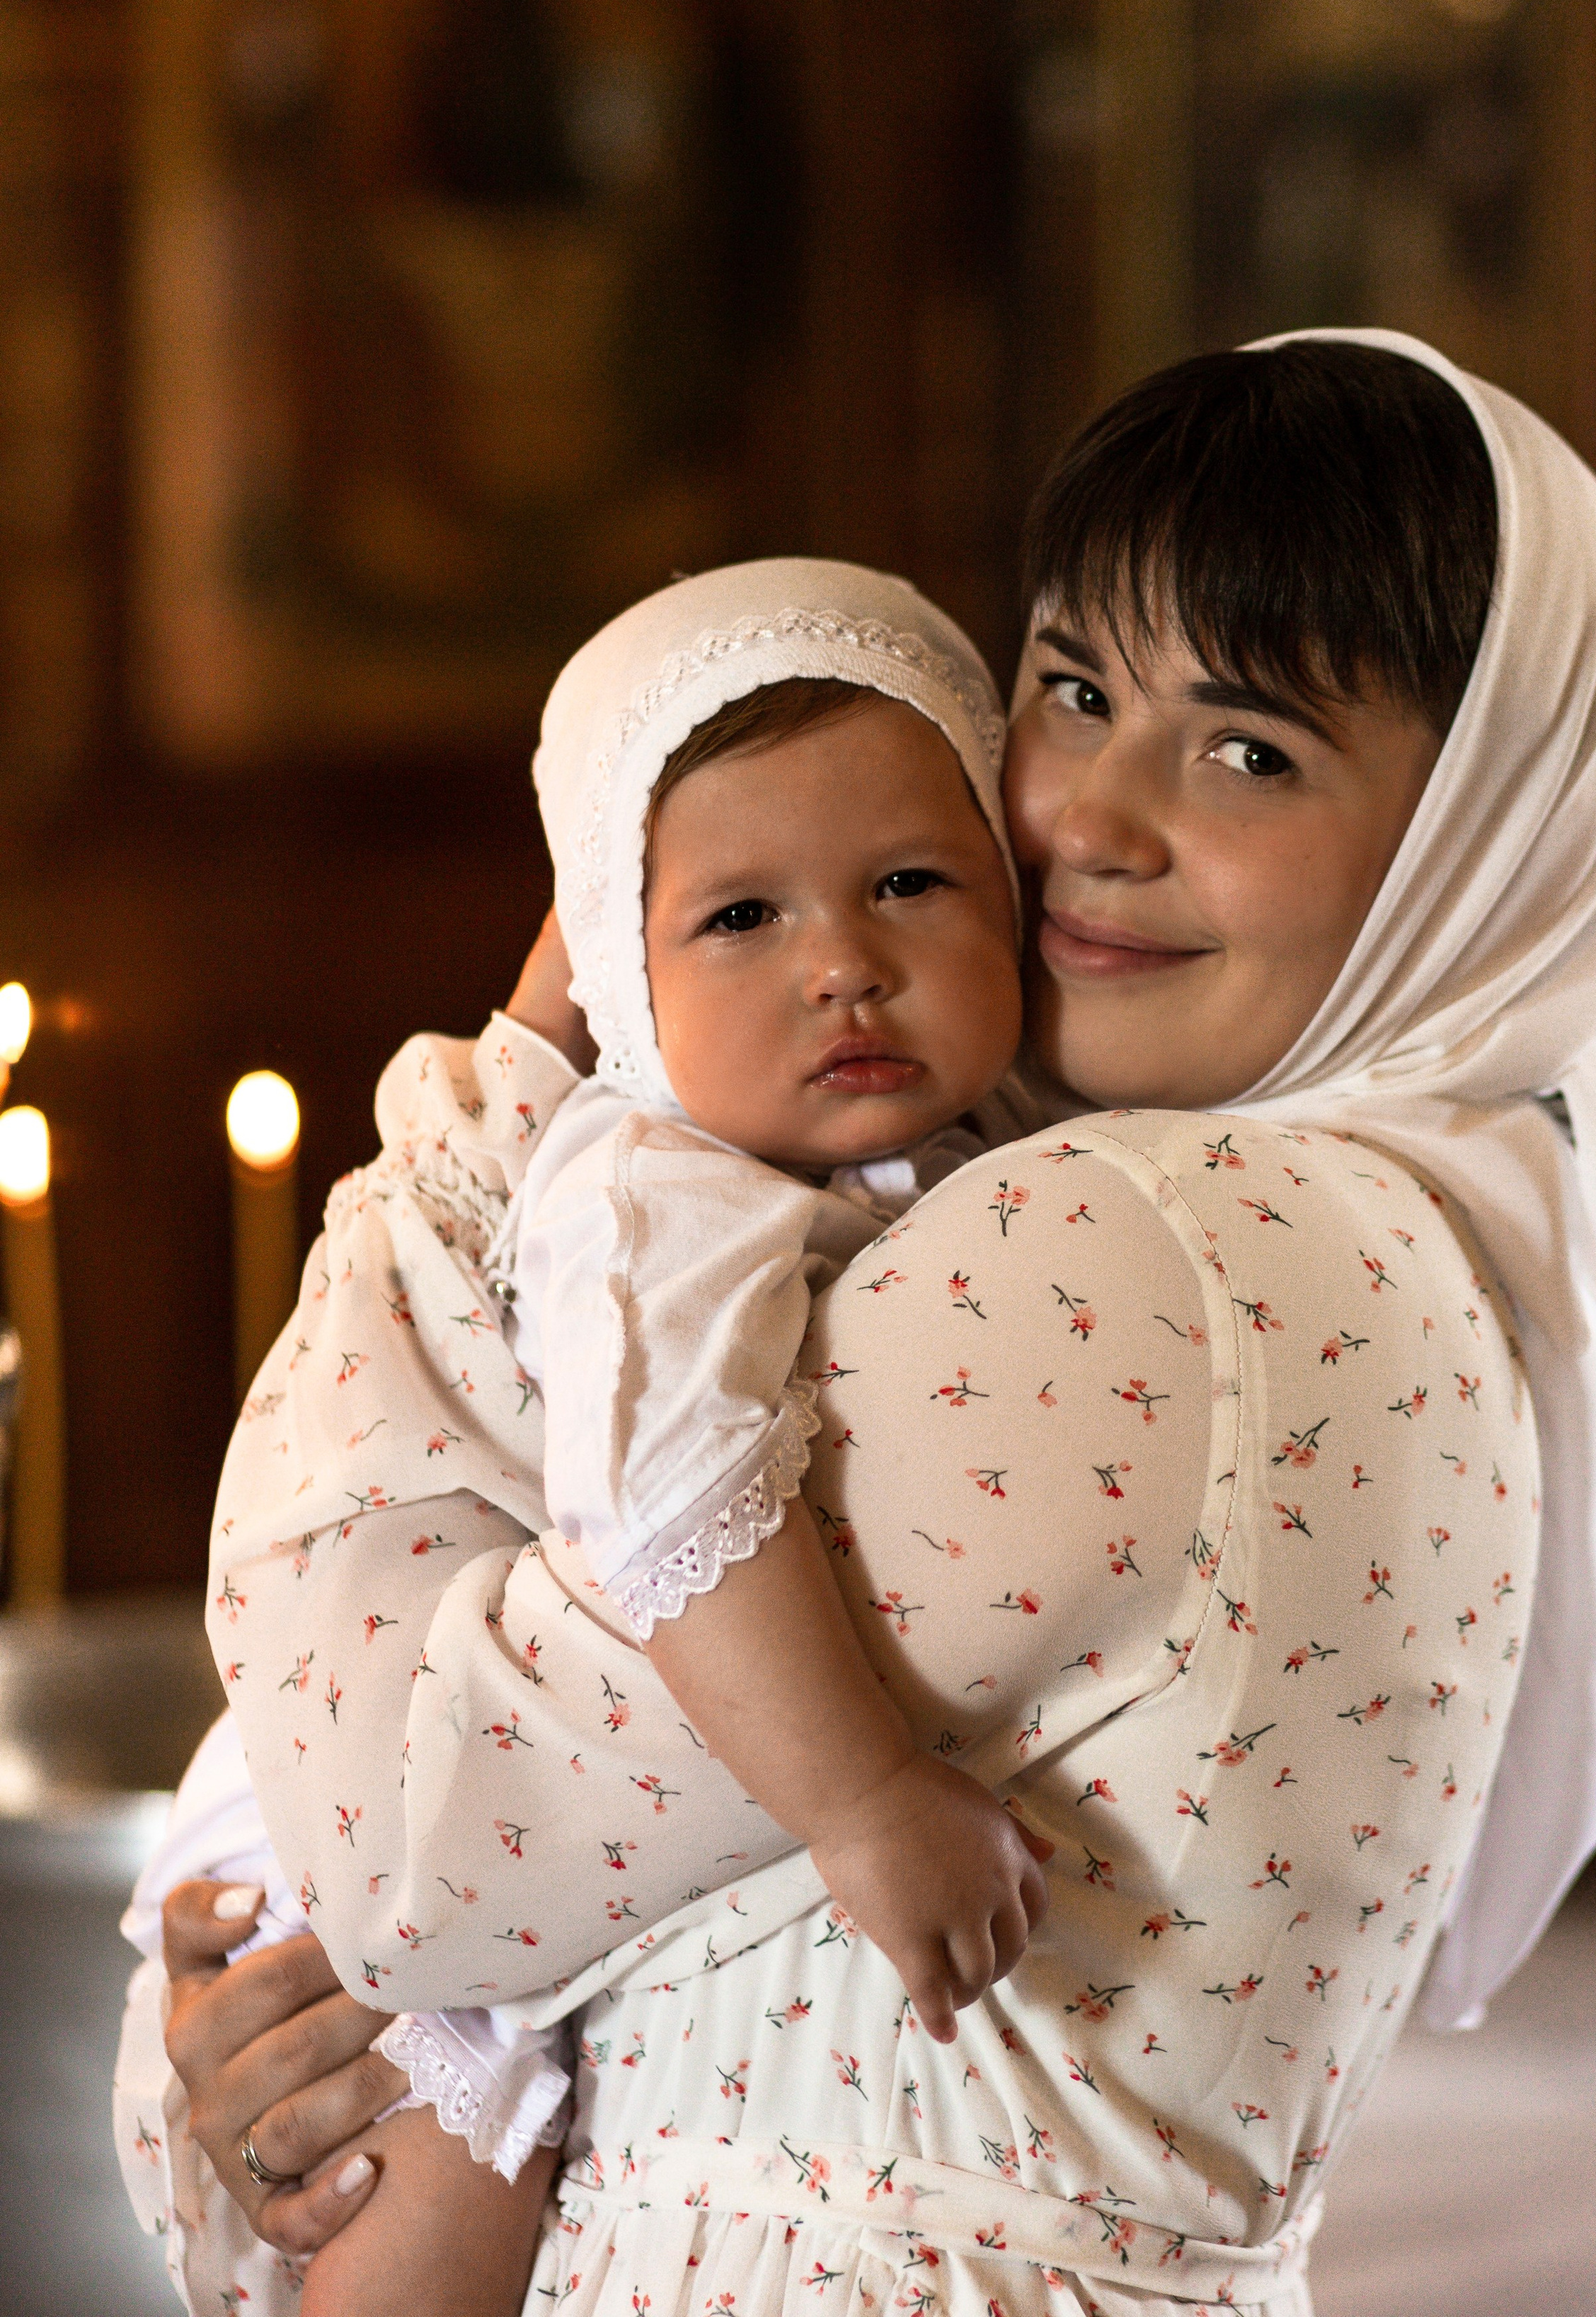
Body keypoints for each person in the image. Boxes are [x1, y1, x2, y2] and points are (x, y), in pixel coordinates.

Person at [122, 333, 1596, 2317]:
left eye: (1250, 751)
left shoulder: (1153, 1250)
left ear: (1491, 835)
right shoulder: (1435, 1217)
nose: (1088, 823)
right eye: (1072, 690)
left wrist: (507, 1078)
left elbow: (411, 1845)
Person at [120, 563, 1060, 2306]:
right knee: (450, 2185)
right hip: (344, 1791)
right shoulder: (651, 1191)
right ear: (616, 974)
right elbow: (671, 1498)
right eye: (739, 920)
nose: (842, 965)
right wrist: (863, 1802)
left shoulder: (973, 1162)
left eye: (910, 884)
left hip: (496, 1727)